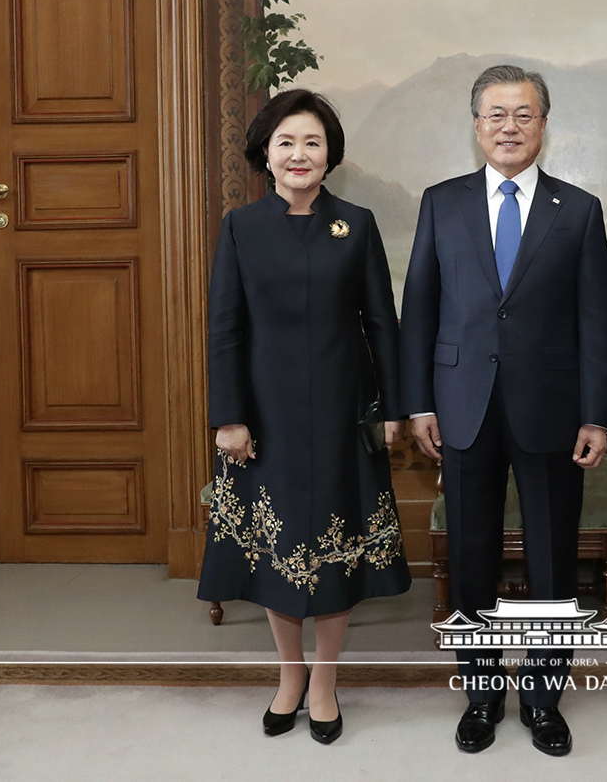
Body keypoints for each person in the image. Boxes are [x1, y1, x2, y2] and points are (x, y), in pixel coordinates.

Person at [400, 65, 607, 757]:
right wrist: (417, 402)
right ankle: (481, 693)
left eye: (524, 114)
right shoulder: (443, 203)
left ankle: (544, 698)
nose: (509, 127)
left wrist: (595, 413)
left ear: (544, 125)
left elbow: (596, 322)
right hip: (462, 406)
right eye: (496, 115)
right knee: (472, 557)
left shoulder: (578, 211)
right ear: (476, 126)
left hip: (553, 410)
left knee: (554, 560)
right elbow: (420, 313)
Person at [198, 88, 411, 745]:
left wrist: (394, 410)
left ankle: (324, 679)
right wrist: (228, 416)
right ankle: (288, 675)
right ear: (266, 151)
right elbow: (226, 329)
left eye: (312, 142)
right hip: (263, 420)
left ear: (329, 155)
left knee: (336, 550)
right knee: (276, 552)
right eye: (287, 141)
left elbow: (382, 324)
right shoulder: (241, 226)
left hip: (344, 414)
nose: (300, 153)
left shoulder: (358, 224)